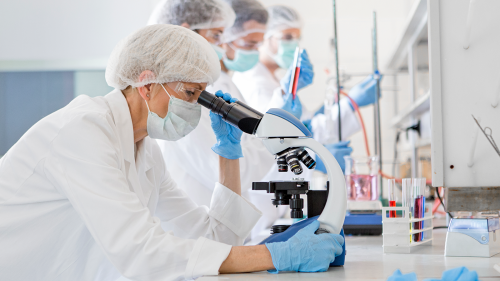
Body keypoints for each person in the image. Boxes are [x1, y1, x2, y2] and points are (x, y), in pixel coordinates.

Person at [0, 25, 343, 280]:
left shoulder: (145, 151)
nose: (196, 108)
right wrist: (274, 255)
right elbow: (142, 252)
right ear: (147, 85)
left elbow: (214, 237)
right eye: (192, 94)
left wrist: (229, 154)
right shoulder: (81, 133)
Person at [149, 0, 292, 240]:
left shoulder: (210, 88)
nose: (222, 45)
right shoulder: (182, 102)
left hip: (216, 237)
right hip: (196, 244)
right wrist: (270, 140)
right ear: (186, 32)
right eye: (216, 35)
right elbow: (236, 174)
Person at [232, 5, 381, 171]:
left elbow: (304, 126)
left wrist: (331, 104)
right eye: (287, 37)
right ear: (265, 36)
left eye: (297, 38)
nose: (294, 44)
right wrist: (352, 103)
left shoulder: (274, 79)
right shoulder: (257, 84)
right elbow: (273, 144)